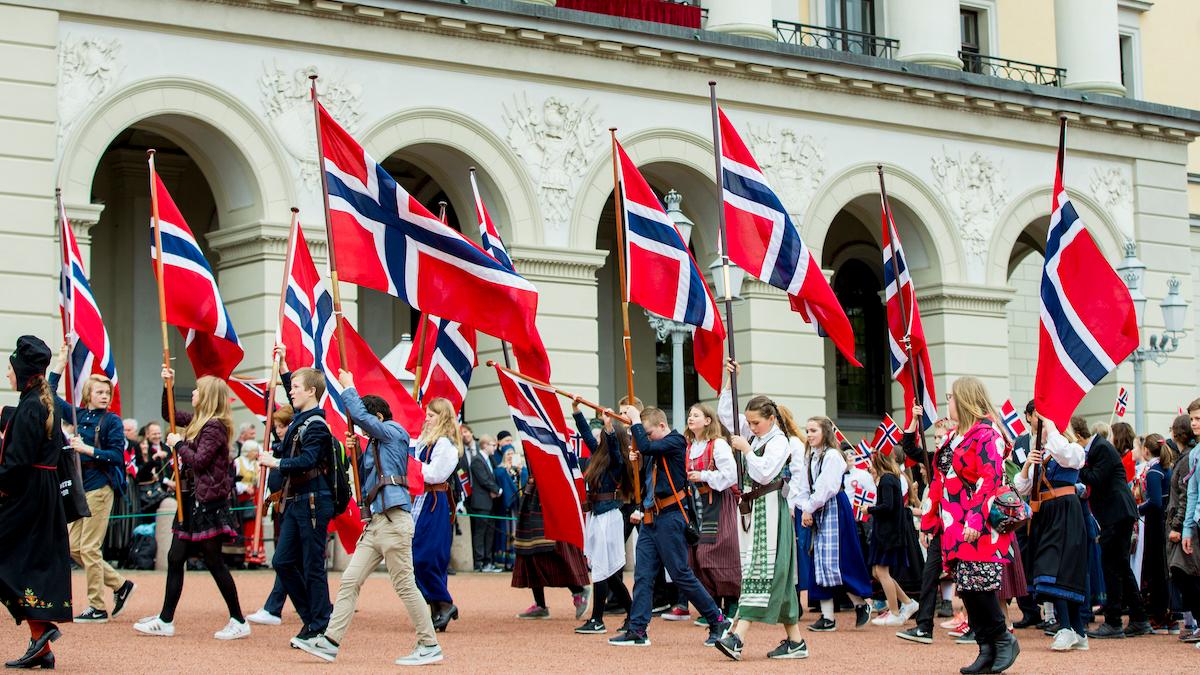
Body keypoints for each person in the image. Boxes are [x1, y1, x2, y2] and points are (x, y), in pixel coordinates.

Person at [292, 370, 442, 666]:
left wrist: (350, 388)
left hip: (394, 520)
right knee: (350, 581)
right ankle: (331, 642)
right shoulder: (374, 446)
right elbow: (366, 482)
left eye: (368, 421)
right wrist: (354, 453)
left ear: (379, 418)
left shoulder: (395, 432)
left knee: (404, 585)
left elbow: (363, 419)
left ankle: (429, 644)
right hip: (376, 524)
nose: (363, 429)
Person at [133, 368, 248, 640]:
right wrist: (168, 385)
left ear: (207, 396)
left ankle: (239, 619)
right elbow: (169, 414)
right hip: (193, 502)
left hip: (207, 504)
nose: (193, 393)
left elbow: (198, 460)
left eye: (197, 390)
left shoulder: (215, 427)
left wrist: (177, 443)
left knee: (214, 561)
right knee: (175, 558)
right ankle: (165, 620)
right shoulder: (200, 421)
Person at [608, 406, 729, 649]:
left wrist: (635, 424)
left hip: (671, 517)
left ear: (662, 427)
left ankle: (718, 620)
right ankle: (638, 629)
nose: (646, 437)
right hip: (651, 518)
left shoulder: (675, 440)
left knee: (680, 574)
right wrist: (639, 460)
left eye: (649, 432)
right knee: (643, 575)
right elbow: (646, 469)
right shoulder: (654, 446)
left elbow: (649, 446)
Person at [47, 345, 134, 623]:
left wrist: (87, 450)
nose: (105, 396)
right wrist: (59, 365)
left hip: (100, 489)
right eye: (100, 392)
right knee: (72, 546)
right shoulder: (78, 415)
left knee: (89, 548)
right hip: (81, 489)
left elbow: (117, 457)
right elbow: (50, 396)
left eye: (107, 393)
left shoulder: (113, 421)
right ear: (88, 395)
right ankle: (120, 584)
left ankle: (97, 606)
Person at [0, 336, 72, 669]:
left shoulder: (31, 405)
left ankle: (42, 632)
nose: (7, 375)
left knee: (16, 561)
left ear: (23, 371)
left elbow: (16, 465)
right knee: (27, 563)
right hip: (42, 492)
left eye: (10, 369)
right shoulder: (42, 400)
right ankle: (40, 638)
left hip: (27, 492)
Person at [940, 377, 1019, 674]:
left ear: (965, 400)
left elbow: (991, 478)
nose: (947, 403)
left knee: (981, 589)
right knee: (969, 590)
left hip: (979, 524)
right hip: (956, 525)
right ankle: (986, 648)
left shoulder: (986, 434)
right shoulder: (956, 436)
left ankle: (1002, 640)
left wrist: (974, 517)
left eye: (950, 397)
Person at [257, 366, 336, 646]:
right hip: (297, 500)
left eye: (296, 387)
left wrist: (275, 462)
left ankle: (319, 624)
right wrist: (285, 370)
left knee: (312, 565)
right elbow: (295, 399)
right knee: (282, 561)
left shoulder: (315, 424)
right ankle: (314, 619)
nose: (291, 391)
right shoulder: (303, 419)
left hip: (313, 500)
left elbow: (309, 461)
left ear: (312, 391)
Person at [1013, 414, 1088, 652]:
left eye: (1044, 427)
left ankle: (1067, 628)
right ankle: (1077, 631)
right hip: (1045, 513)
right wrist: (1027, 466)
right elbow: (1022, 487)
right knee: (1051, 570)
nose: (1041, 431)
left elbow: (1065, 455)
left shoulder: (1073, 449)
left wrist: (1051, 426)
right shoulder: (1044, 453)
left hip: (1066, 511)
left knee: (1060, 569)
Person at [1077, 415, 1150, 639]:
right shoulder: (1100, 447)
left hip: (1116, 513)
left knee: (1113, 566)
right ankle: (1137, 618)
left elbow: (1097, 478)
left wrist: (1078, 465)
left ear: (1079, 435)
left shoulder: (1101, 448)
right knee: (1119, 566)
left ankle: (1115, 621)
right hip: (1116, 513)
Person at [896, 411, 956, 645]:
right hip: (941, 527)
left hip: (960, 525)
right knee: (930, 574)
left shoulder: (961, 456)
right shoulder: (934, 459)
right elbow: (909, 447)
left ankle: (979, 626)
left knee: (968, 579)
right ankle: (924, 626)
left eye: (942, 437)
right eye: (936, 437)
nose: (938, 441)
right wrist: (913, 419)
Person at [573, 400, 632, 634]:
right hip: (598, 516)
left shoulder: (616, 460)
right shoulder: (597, 456)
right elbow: (586, 434)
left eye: (604, 436)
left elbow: (615, 451)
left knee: (605, 570)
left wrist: (609, 427)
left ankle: (599, 618)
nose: (596, 439)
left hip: (609, 516)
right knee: (602, 569)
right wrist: (577, 411)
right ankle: (623, 613)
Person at [683, 402, 741, 620]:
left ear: (708, 420)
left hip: (717, 502)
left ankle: (733, 601)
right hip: (697, 504)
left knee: (719, 552)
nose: (690, 418)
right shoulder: (689, 446)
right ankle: (713, 604)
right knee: (698, 555)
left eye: (696, 415)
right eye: (690, 414)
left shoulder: (717, 445)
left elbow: (731, 475)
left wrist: (705, 476)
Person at [412, 398, 461, 631]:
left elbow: (434, 474)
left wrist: (411, 465)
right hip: (420, 500)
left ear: (442, 417)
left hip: (434, 501)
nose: (427, 419)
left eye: (431, 416)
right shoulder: (425, 441)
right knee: (418, 555)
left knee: (426, 556)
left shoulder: (445, 445)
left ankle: (444, 603)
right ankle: (436, 608)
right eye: (427, 414)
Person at [246, 405, 294, 626]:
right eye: (276, 427)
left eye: (282, 426)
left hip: (295, 508)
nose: (279, 431)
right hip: (282, 507)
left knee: (286, 560)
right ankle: (320, 608)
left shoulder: (292, 445)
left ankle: (274, 608)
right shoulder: (282, 444)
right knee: (292, 562)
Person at [867, 447, 918, 627]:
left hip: (888, 534)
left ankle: (896, 612)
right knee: (878, 572)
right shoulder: (890, 478)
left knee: (882, 572)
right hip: (887, 532)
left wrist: (870, 509)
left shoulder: (887, 479)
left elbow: (887, 506)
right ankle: (907, 603)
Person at [1136, 432, 1172, 631]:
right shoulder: (1165, 467)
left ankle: (1159, 615)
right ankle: (1166, 613)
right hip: (1163, 521)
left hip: (1156, 523)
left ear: (1146, 450)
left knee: (1156, 568)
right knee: (1161, 569)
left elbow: (1156, 502)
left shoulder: (1153, 471)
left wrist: (1138, 510)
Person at [1171, 404, 1200, 643]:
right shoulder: (1195, 454)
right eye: (1192, 419)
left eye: (1198, 418)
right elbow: (1191, 493)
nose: (1194, 423)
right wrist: (1188, 528)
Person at [462, 423, 501, 573]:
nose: (494, 448)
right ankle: (479, 563)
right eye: (492, 445)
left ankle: (488, 562)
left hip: (489, 502)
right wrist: (498, 490)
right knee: (480, 533)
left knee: (489, 533)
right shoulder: (478, 460)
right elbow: (484, 479)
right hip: (481, 503)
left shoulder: (490, 460)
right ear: (484, 445)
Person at [234, 439, 265, 566]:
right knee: (243, 527)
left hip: (254, 500)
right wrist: (244, 487)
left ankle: (256, 557)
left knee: (254, 526)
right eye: (254, 451)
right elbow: (233, 481)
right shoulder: (237, 462)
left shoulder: (256, 464)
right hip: (241, 499)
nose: (256, 453)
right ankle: (243, 556)